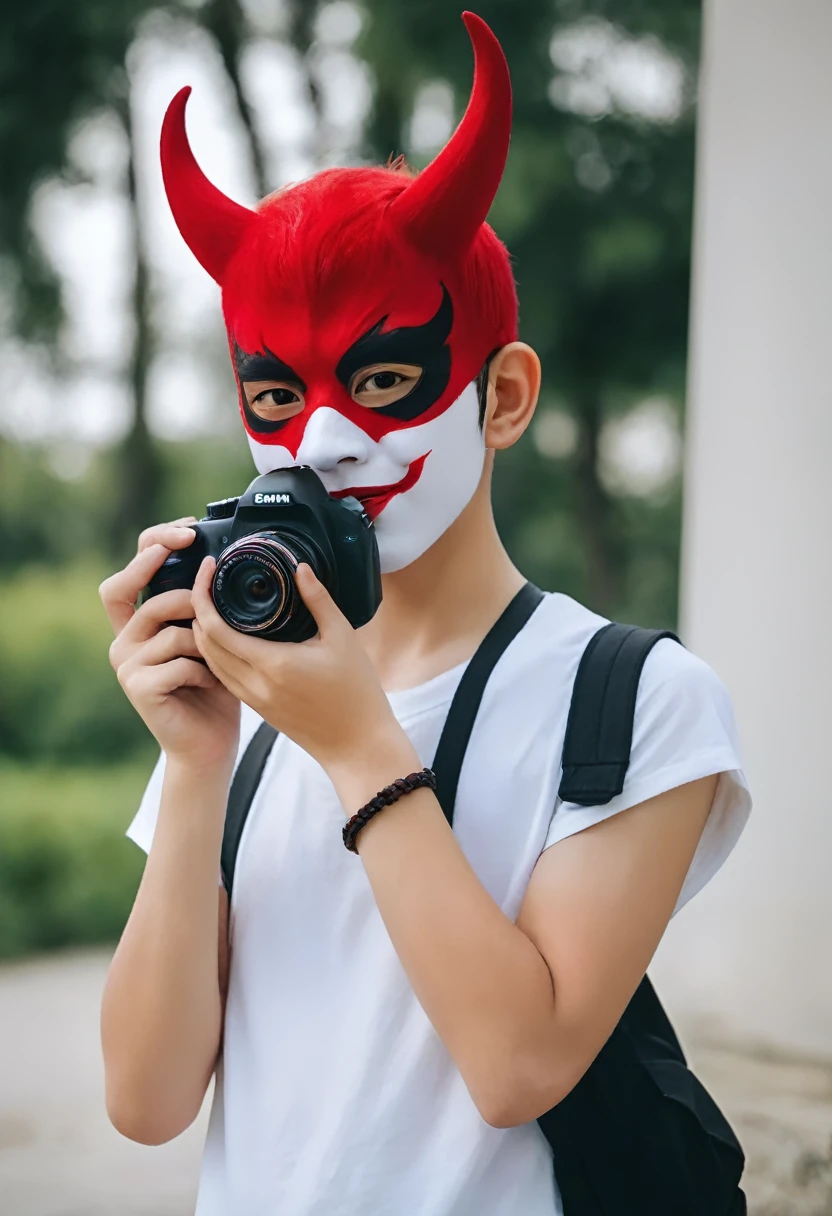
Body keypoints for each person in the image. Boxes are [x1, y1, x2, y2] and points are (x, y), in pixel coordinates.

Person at [99, 13, 751, 1215]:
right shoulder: (243, 697)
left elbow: (516, 1066)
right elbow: (144, 1100)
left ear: (501, 394)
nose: (327, 442)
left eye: (386, 381)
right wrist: (197, 765)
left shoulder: (635, 700)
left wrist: (357, 745)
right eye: (278, 394)